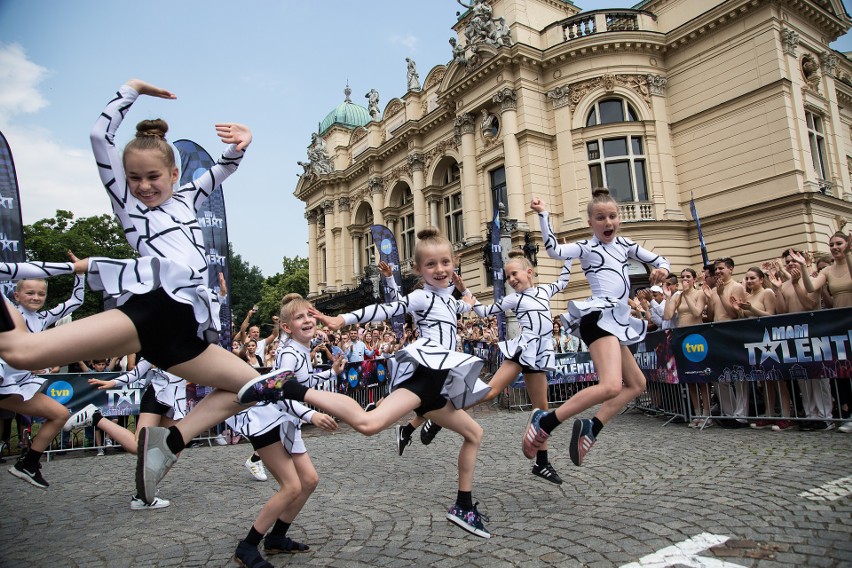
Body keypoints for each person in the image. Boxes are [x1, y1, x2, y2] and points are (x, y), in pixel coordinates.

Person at [0, 79, 306, 505]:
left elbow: (223, 169)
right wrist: (131, 90)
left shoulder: (187, 198)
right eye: (134, 178)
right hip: (153, 310)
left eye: (153, 176)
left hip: (187, 329)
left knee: (253, 385)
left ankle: (170, 443)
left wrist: (241, 145)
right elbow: (98, 136)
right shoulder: (130, 208)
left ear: (174, 174)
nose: (144, 186)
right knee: (20, 353)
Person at [243, 228, 492, 538]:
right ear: (417, 269)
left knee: (474, 432)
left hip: (440, 384)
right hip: (425, 379)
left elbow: (476, 306)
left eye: (445, 263)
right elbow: (388, 309)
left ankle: (463, 505)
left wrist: (469, 290)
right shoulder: (421, 297)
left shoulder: (451, 300)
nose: (439, 270)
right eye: (431, 265)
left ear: (454, 263)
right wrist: (342, 320)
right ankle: (291, 388)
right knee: (369, 424)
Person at [522, 191, 669, 467]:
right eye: (600, 217)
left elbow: (660, 260)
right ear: (591, 223)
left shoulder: (625, 244)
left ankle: (592, 427)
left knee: (637, 384)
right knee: (612, 385)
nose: (607, 221)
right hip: (599, 317)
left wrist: (662, 271)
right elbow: (554, 250)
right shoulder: (587, 248)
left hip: (617, 320)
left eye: (612, 216)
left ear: (619, 220)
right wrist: (543, 216)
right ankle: (547, 420)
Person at [227, 294, 343, 567]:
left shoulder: (302, 350)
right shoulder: (289, 352)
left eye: (309, 315)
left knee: (309, 481)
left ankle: (277, 538)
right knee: (291, 486)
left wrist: (332, 373)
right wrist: (311, 414)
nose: (307, 320)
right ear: (288, 327)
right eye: (299, 317)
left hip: (286, 423)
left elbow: (307, 382)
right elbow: (282, 392)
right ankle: (247, 547)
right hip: (268, 422)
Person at [446, 251, 572, 485]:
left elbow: (564, 281)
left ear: (529, 272)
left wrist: (568, 256)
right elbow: (483, 311)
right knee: (492, 391)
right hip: (524, 350)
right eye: (508, 277)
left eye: (514, 274)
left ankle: (542, 463)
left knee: (541, 411)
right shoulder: (515, 299)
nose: (511, 279)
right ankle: (447, 409)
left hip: (540, 354)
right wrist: (464, 291)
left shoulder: (544, 291)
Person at [1, 257, 86, 488]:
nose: (36, 298)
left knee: (59, 414)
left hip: (16, 386)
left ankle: (28, 463)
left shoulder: (43, 317)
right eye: (29, 293)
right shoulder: (7, 314)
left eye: (40, 294)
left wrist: (80, 273)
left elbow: (76, 301)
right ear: (16, 296)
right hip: (4, 381)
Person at [66, 358, 185, 509]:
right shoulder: (161, 341)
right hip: (158, 395)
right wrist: (113, 383)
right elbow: (138, 371)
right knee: (138, 445)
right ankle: (95, 417)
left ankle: (144, 494)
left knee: (174, 447)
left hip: (175, 398)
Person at [789, 233, 852, 432]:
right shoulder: (829, 270)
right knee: (846, 371)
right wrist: (803, 267)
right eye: (831, 244)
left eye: (839, 243)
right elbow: (810, 286)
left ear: (847, 244)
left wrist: (849, 254)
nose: (834, 247)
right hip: (841, 324)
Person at [768, 249, 828, 431]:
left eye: (794, 261)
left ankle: (825, 416)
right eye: (788, 262)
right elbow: (782, 310)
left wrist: (796, 283)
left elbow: (810, 304)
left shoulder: (811, 278)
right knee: (803, 376)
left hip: (814, 331)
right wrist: (778, 289)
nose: (791, 264)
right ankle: (810, 414)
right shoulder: (785, 284)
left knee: (820, 376)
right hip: (794, 334)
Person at [663, 268, 711, 428]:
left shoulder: (699, 293)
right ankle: (696, 412)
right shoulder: (677, 296)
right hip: (682, 338)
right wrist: (669, 297)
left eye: (688, 277)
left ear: (694, 278)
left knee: (701, 378)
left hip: (697, 336)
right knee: (689, 379)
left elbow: (697, 312)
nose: (685, 279)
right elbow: (668, 316)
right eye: (682, 277)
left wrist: (686, 293)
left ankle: (707, 413)